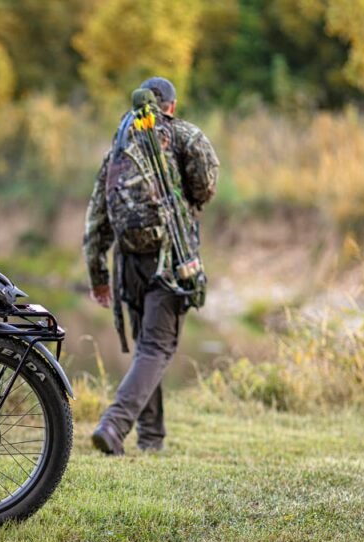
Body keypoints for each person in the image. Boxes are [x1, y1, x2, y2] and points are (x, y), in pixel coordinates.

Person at [82, 76, 219, 455]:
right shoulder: (184, 135)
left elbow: (97, 216)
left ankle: (151, 439)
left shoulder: (118, 148)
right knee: (157, 348)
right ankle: (114, 424)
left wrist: (98, 275)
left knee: (148, 347)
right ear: (171, 107)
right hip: (171, 257)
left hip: (128, 263)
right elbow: (206, 187)